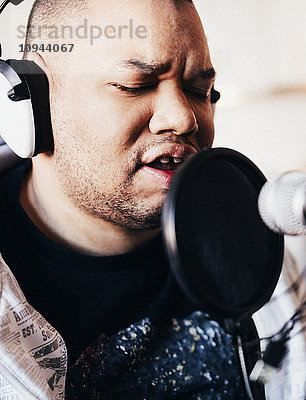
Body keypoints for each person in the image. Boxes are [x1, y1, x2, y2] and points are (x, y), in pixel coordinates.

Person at [0, 0, 256, 398]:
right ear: (31, 98)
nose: (184, 118)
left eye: (198, 90)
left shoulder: (245, 238)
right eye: (134, 85)